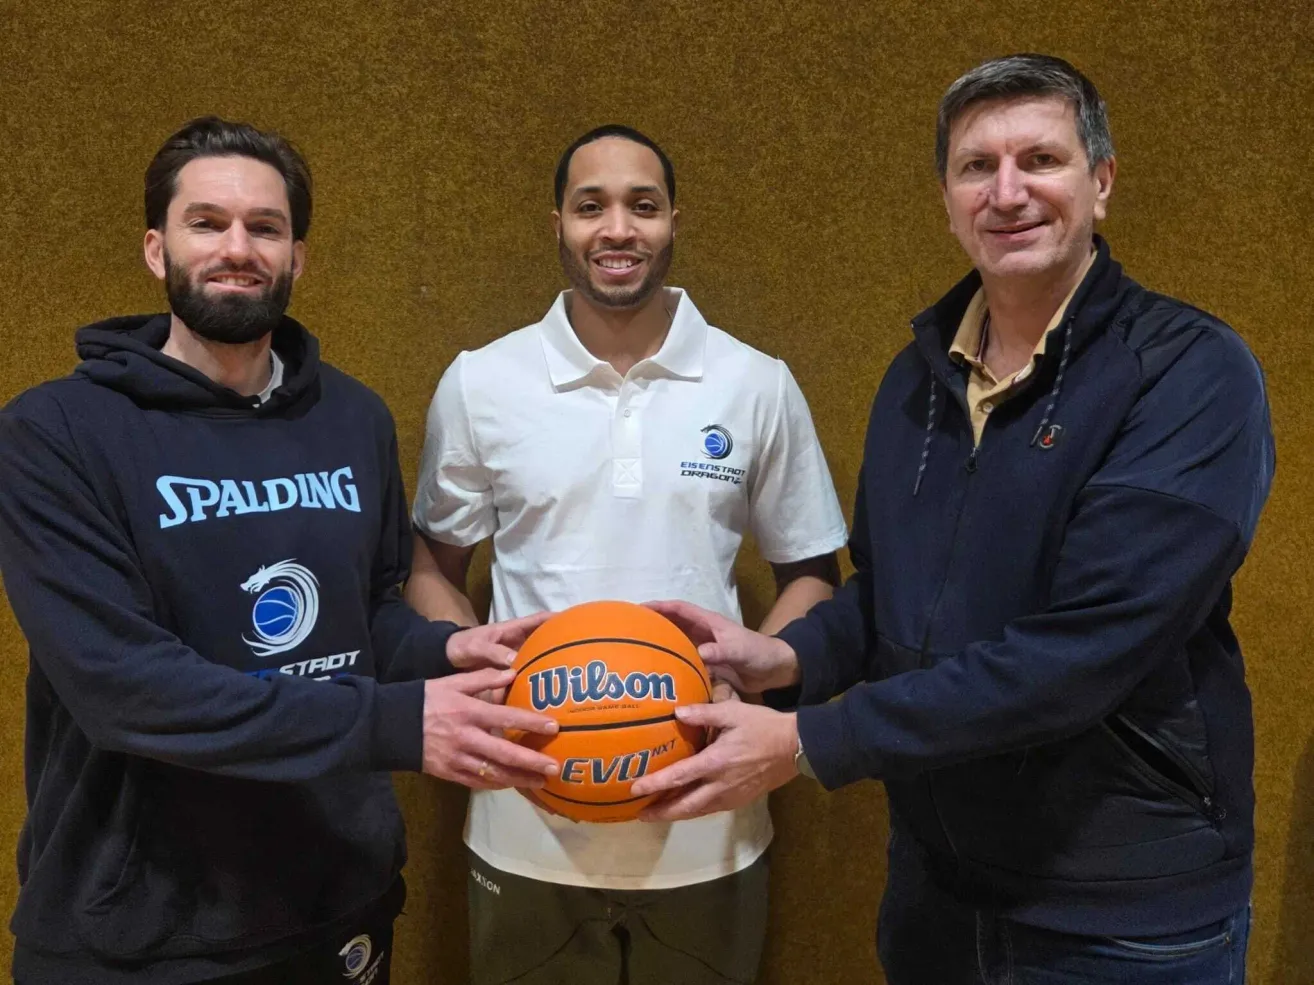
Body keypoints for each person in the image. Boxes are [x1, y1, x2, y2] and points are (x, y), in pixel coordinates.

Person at [632, 54, 1275, 985]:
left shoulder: (1189, 374)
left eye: (1040, 161)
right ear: (946, 197)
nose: (1008, 192)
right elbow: (893, 591)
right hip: (937, 894)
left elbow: (1085, 649)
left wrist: (815, 739)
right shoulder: (916, 381)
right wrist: (795, 658)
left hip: (1119, 914)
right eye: (978, 167)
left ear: (1101, 182)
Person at [0, 116, 561, 985]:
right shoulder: (57, 433)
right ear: (157, 249)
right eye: (206, 223)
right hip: (140, 930)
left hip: (334, 899)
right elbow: (123, 688)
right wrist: (395, 722)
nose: (238, 248)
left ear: (299, 256)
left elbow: (369, 605)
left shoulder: (354, 417)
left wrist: (441, 650)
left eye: (265, 227)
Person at [406, 124, 847, 984]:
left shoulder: (755, 381)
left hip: (708, 818)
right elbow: (432, 570)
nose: (617, 229)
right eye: (591, 206)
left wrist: (751, 677)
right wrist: (478, 682)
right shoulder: (481, 381)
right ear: (558, 223)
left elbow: (812, 577)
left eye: (642, 206)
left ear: (674, 219)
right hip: (524, 814)